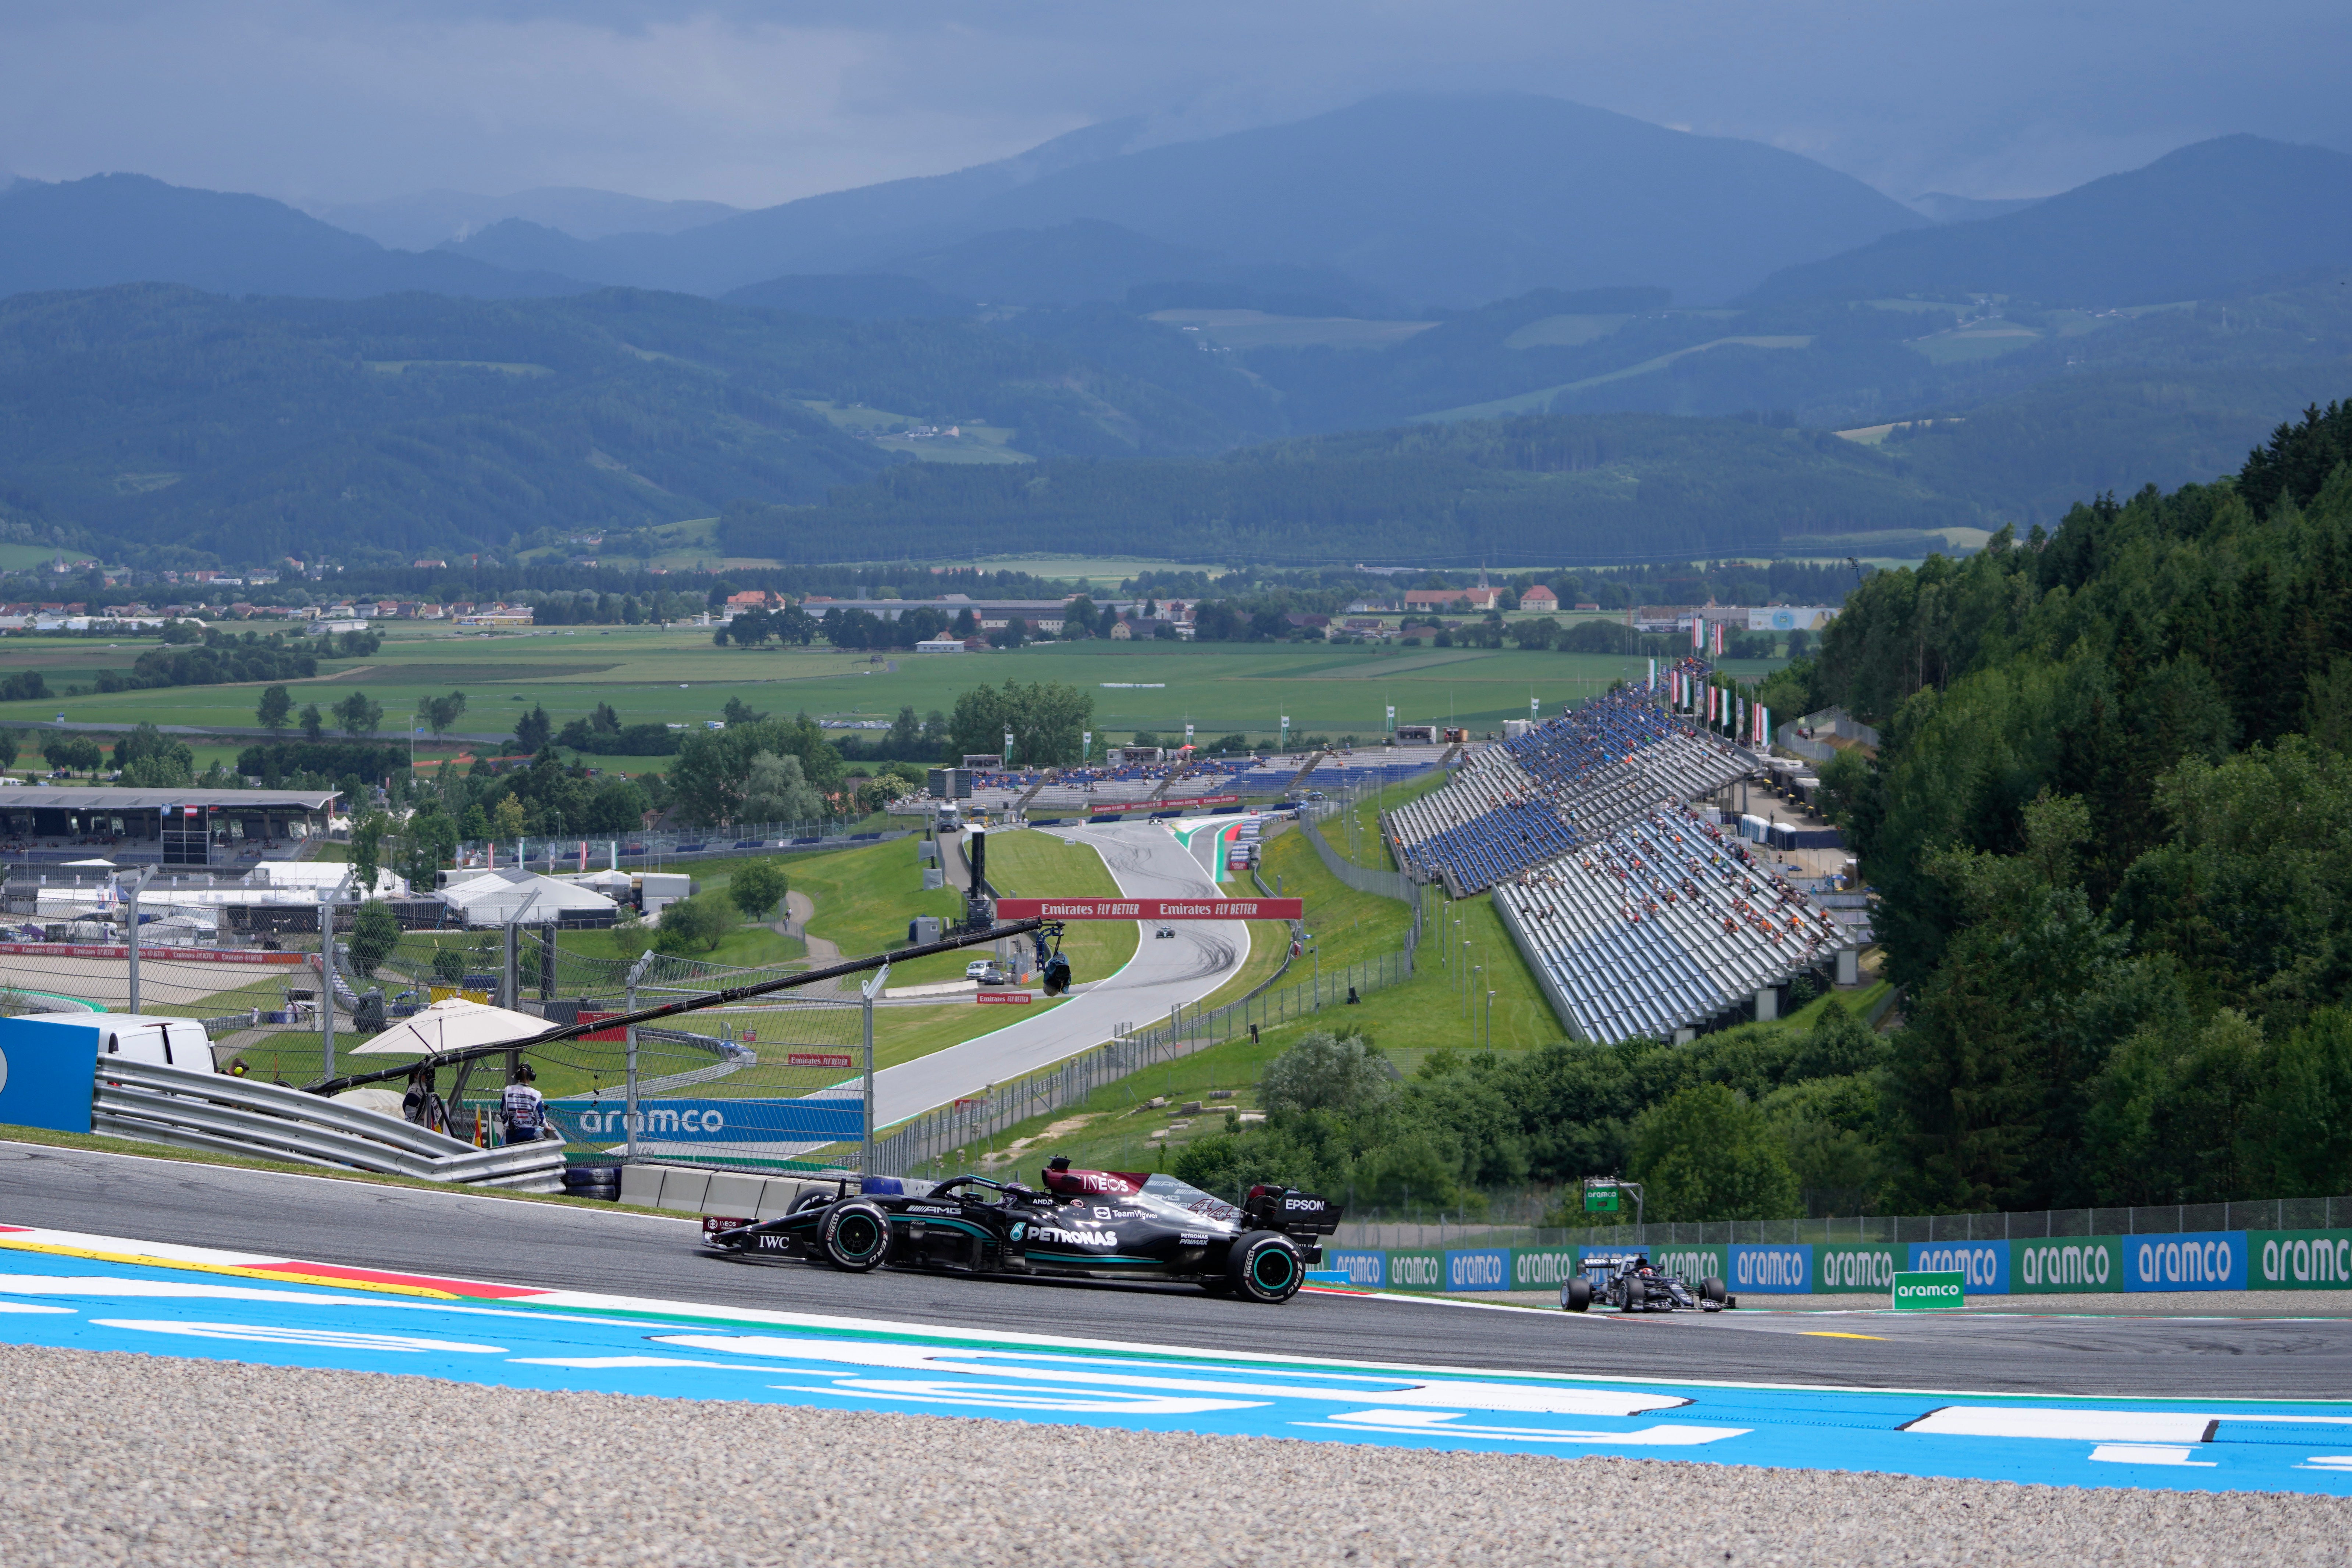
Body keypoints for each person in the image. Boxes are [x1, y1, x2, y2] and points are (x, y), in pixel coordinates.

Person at [500, 1062, 555, 1144]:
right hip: (529, 1132)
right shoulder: (536, 1094)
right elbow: (539, 1114)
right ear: (532, 1077)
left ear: (517, 1076)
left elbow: (504, 1112)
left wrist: (506, 1122)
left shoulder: (508, 1090)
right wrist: (546, 1126)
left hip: (512, 1132)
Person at [402, 1065, 445, 1133]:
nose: (429, 1076)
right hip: (419, 1132)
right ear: (416, 1075)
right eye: (426, 1074)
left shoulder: (426, 1089)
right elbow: (412, 1115)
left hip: (430, 1130)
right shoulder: (414, 1093)